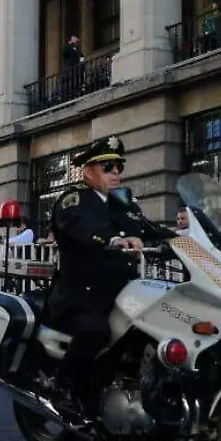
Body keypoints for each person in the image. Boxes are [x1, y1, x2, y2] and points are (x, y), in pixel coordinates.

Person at [47, 136, 154, 405]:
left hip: (124, 293)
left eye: (119, 167)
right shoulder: (74, 200)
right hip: (82, 296)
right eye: (108, 167)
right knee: (96, 331)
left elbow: (151, 231)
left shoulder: (124, 206)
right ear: (88, 171)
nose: (116, 172)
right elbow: (80, 227)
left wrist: (190, 243)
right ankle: (64, 388)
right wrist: (113, 240)